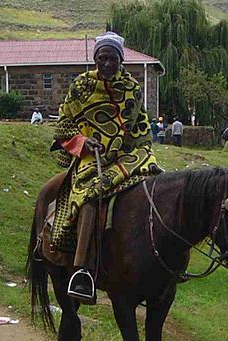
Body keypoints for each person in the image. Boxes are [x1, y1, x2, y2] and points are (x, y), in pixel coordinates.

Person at [50, 31, 161, 302]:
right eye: (102, 58)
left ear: (121, 60)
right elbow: (64, 125)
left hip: (127, 155)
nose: (107, 64)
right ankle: (81, 271)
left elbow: (140, 127)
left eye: (112, 59)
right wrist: (83, 142)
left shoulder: (132, 88)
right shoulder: (81, 86)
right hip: (91, 158)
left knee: (160, 185)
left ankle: (162, 259)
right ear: (95, 58)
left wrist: (138, 150)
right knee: (90, 197)